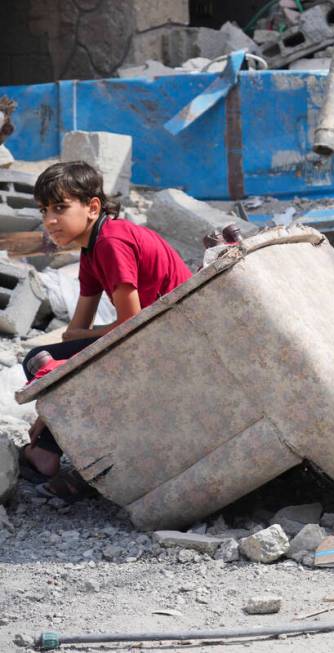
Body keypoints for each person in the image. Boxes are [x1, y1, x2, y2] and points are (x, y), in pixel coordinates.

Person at [19, 161, 192, 498]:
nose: (50, 220)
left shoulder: (112, 243)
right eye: (44, 210)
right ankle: (49, 450)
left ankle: (46, 453)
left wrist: (71, 353)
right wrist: (49, 401)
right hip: (154, 332)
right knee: (47, 360)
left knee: (46, 359)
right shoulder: (91, 248)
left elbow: (131, 323)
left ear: (92, 207)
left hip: (173, 337)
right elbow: (76, 329)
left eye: (60, 207)